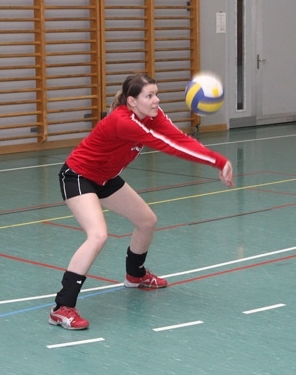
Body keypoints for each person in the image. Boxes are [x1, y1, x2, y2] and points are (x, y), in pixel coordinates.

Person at [48, 73, 234, 330]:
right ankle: (62, 308)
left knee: (146, 221)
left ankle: (135, 275)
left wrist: (218, 161)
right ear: (132, 101)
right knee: (98, 235)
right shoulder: (123, 121)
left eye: (156, 94)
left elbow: (179, 138)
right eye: (149, 96)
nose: (156, 100)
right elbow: (168, 145)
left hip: (105, 177)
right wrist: (218, 161)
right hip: (78, 176)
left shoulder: (153, 115)